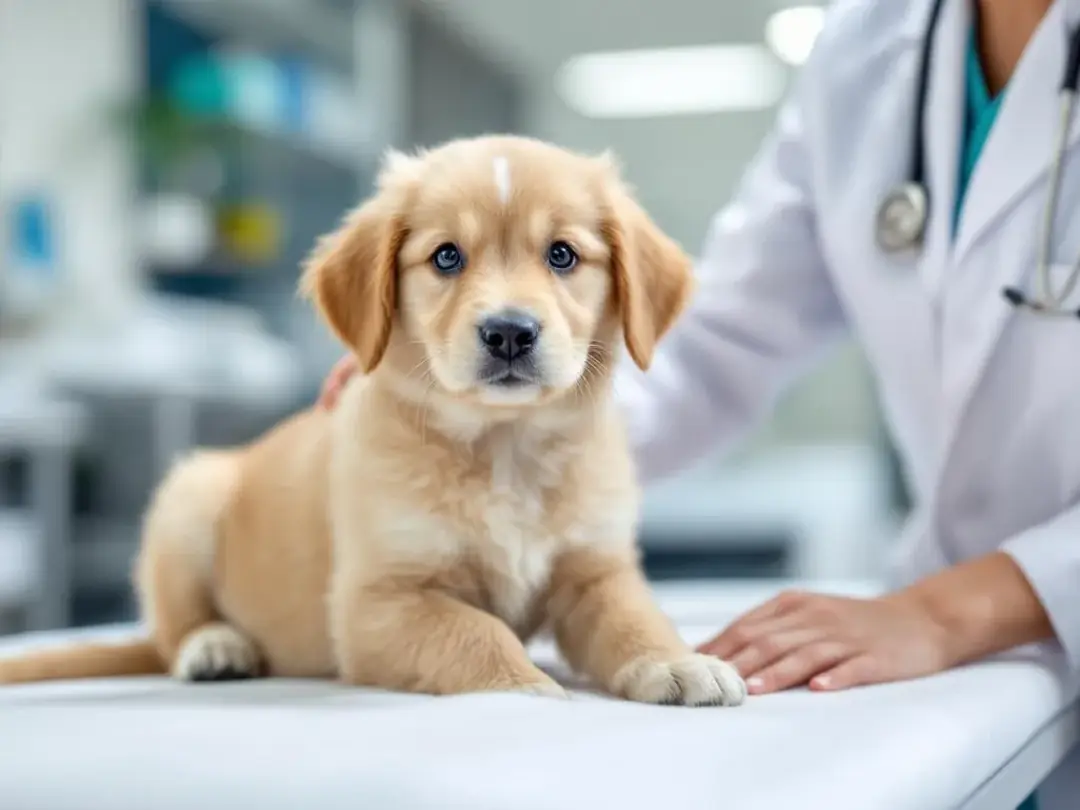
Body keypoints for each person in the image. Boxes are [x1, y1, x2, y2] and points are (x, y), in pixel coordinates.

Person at [318, 1, 1078, 806]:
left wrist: (949, 611)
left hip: (972, 630)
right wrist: (463, 421)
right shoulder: (868, 44)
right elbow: (716, 344)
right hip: (971, 694)